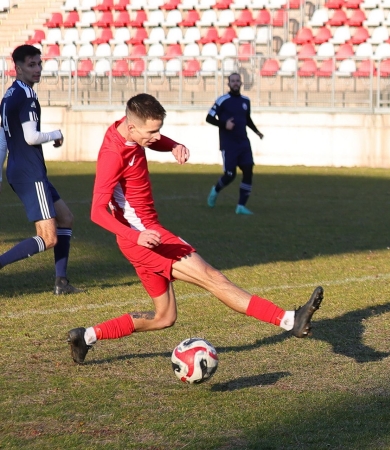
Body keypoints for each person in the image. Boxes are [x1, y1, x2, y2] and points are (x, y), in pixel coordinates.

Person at [66, 93, 323, 364]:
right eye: (152, 132)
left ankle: (86, 336)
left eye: (159, 130)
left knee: (164, 317)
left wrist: (172, 145)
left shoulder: (127, 128)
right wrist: (137, 235)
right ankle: (289, 319)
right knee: (213, 278)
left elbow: (153, 138)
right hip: (145, 237)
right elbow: (96, 211)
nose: (156, 136)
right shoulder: (112, 154)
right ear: (132, 128)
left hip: (140, 238)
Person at [0, 44, 81, 295]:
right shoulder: (26, 96)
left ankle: (61, 282)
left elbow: (3, 138)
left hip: (23, 170)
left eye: (39, 64)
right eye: (31, 65)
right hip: (29, 172)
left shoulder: (10, 95)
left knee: (65, 218)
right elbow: (32, 137)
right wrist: (56, 134)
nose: (37, 69)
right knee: (48, 237)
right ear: (18, 67)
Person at [206, 73, 263, 215]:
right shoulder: (222, 100)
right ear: (229, 84)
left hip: (243, 143)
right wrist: (224, 124)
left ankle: (241, 206)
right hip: (229, 144)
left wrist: (257, 132)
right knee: (230, 175)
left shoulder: (246, 101)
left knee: (248, 172)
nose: (236, 83)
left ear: (241, 83)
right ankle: (216, 190)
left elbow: (247, 119)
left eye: (238, 81)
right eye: (233, 81)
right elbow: (209, 118)